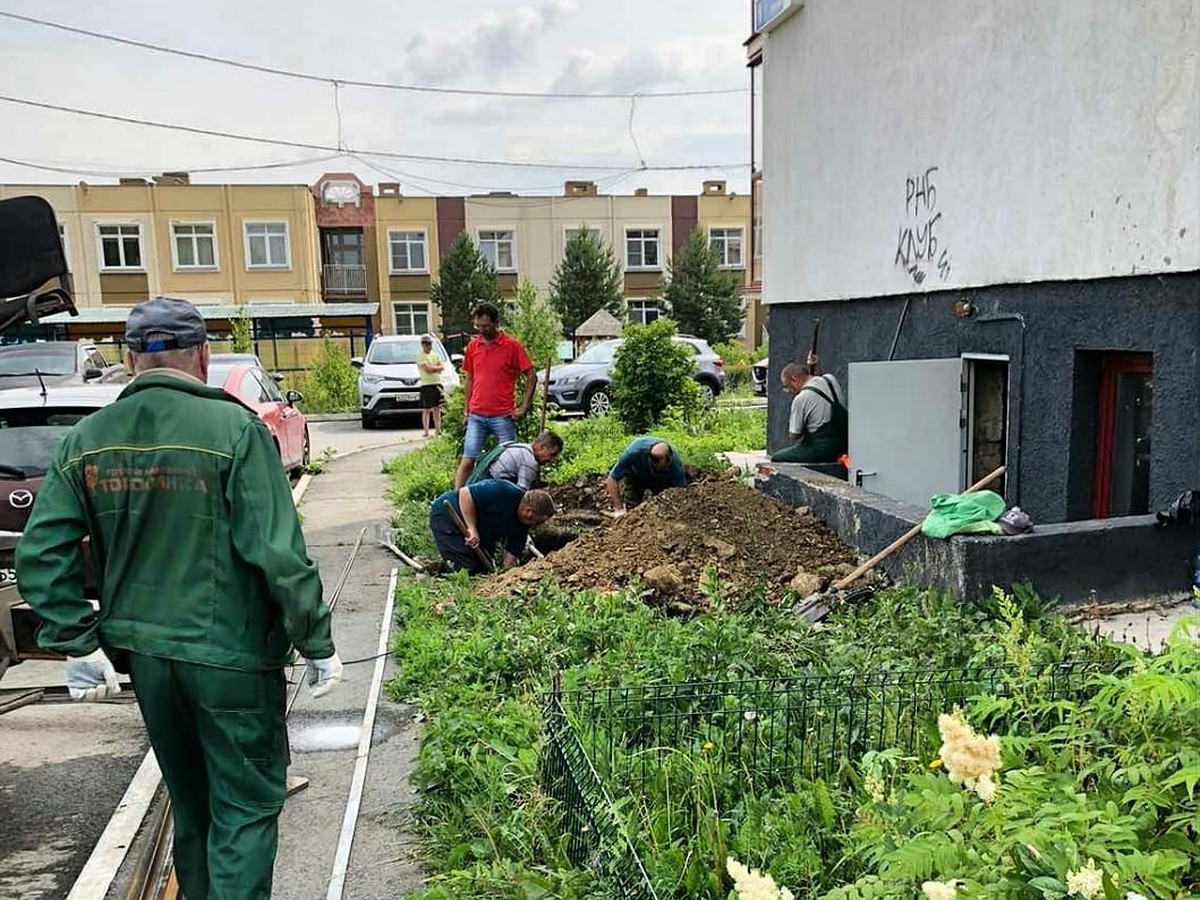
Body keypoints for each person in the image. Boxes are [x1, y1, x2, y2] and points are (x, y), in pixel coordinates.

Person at [14, 297, 342, 900]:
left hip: (147, 657)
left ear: (132, 359)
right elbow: (279, 555)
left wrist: (74, 641)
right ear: (204, 357)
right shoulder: (236, 430)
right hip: (230, 655)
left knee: (192, 807)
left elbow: (42, 551)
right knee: (243, 806)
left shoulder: (88, 437)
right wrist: (315, 639)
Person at [453, 301, 536, 488]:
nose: (481, 330)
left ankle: (510, 498)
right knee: (468, 460)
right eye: (478, 326)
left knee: (509, 461)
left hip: (503, 415)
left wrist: (523, 407)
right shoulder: (474, 346)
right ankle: (456, 498)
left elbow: (531, 375)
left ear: (496, 323)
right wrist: (466, 411)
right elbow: (470, 379)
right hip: (477, 415)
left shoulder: (512, 346)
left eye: (486, 326)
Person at [429, 479, 556, 574]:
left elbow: (509, 560)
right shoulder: (503, 490)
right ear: (529, 512)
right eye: (538, 522)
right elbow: (465, 494)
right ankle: (438, 573)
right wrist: (471, 528)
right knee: (464, 568)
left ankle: (443, 566)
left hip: (480, 532)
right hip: (448, 515)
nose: (536, 526)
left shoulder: (522, 528)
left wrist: (508, 576)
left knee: (482, 569)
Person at [770, 353, 848, 464]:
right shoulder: (830, 380)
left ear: (794, 379)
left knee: (777, 458)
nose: (788, 391)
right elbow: (818, 380)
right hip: (844, 444)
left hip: (822, 450)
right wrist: (816, 365)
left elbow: (794, 435)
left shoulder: (801, 398)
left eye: (787, 386)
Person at [605, 436, 687, 517]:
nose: (666, 468)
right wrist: (618, 509)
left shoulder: (675, 464)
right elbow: (612, 478)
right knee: (632, 511)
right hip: (635, 476)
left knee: (663, 506)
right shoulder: (632, 453)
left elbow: (681, 491)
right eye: (661, 468)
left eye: (667, 467)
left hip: (661, 480)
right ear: (651, 460)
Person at [467, 430, 564, 490]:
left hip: (473, 484)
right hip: (485, 487)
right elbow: (521, 492)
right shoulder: (529, 460)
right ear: (542, 447)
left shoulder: (519, 446)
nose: (551, 460)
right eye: (552, 455)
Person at [416, 334, 445, 437]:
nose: (429, 346)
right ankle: (426, 431)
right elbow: (427, 370)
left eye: (430, 344)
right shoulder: (420, 356)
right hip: (426, 385)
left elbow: (442, 367)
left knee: (437, 408)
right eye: (427, 344)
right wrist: (436, 368)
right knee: (426, 409)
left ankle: (438, 429)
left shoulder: (435, 355)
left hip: (437, 383)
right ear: (423, 345)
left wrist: (434, 368)